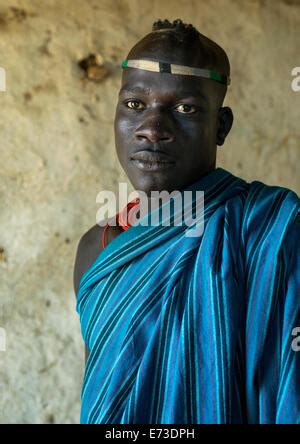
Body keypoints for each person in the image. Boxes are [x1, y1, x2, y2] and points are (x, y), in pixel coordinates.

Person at [73, 19, 299, 424]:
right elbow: (103, 395)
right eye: (134, 104)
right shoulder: (99, 248)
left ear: (222, 126)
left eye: (185, 108)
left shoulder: (271, 230)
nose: (152, 129)